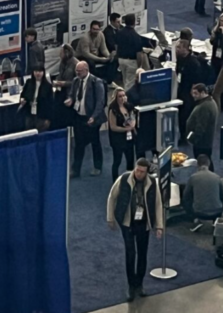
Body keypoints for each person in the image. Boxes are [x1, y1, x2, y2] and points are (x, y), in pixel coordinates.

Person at [106, 158, 164, 301]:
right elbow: (112, 197)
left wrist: (159, 226)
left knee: (142, 254)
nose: (138, 173)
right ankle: (131, 286)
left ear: (147, 172)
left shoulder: (152, 183)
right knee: (130, 254)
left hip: (143, 224)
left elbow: (158, 204)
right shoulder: (124, 179)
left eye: (142, 172)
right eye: (137, 170)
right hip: (127, 223)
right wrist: (110, 218)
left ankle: (140, 284)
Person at [66, 61, 106, 177]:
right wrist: (70, 99)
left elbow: (100, 102)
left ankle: (97, 167)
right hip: (79, 117)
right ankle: (76, 169)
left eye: (80, 71)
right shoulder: (75, 81)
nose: (77, 73)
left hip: (92, 118)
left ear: (87, 70)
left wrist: (94, 116)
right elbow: (72, 94)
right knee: (78, 144)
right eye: (76, 71)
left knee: (95, 142)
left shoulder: (96, 82)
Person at [107, 87, 138, 176]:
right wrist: (126, 129)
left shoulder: (129, 106)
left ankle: (129, 179)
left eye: (124, 95)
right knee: (117, 161)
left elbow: (133, 117)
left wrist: (133, 124)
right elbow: (113, 127)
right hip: (118, 140)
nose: (123, 98)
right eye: (120, 96)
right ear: (116, 98)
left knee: (130, 160)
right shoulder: (113, 109)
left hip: (129, 138)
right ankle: (115, 180)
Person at [186, 156, 223, 224]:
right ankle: (215, 222)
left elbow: (186, 196)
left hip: (199, 213)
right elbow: (222, 195)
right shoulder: (217, 177)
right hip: (217, 212)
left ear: (197, 165)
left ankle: (194, 219)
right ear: (209, 164)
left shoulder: (193, 177)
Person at [185, 83, 219, 161]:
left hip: (201, 144)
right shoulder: (210, 102)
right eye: (193, 93)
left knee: (203, 162)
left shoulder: (204, 107)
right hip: (205, 142)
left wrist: (192, 139)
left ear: (203, 92)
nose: (193, 96)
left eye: (196, 93)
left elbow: (200, 127)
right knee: (206, 162)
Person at [20, 66, 54, 131]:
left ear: (43, 72)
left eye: (40, 71)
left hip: (42, 116)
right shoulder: (28, 82)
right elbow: (23, 95)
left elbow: (51, 104)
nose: (38, 73)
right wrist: (22, 99)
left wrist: (49, 119)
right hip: (29, 115)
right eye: (36, 71)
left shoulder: (48, 86)